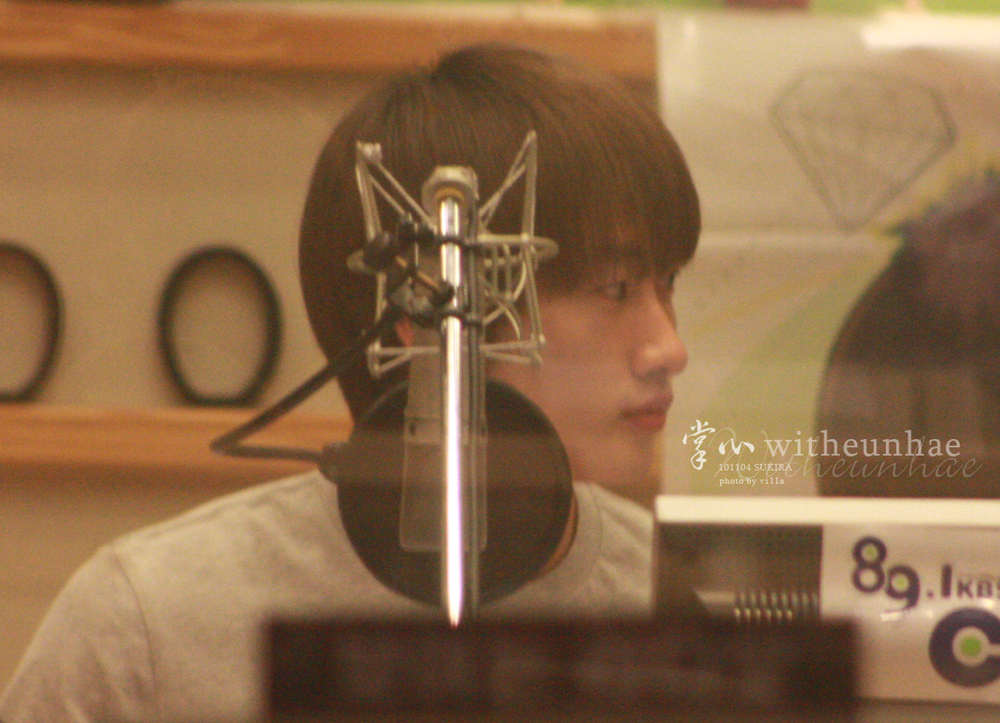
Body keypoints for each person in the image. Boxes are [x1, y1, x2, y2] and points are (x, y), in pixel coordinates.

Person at [0, 43, 699, 723]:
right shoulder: (149, 626)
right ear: (425, 318)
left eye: (667, 283)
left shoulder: (690, 611)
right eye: (614, 288)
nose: (670, 349)